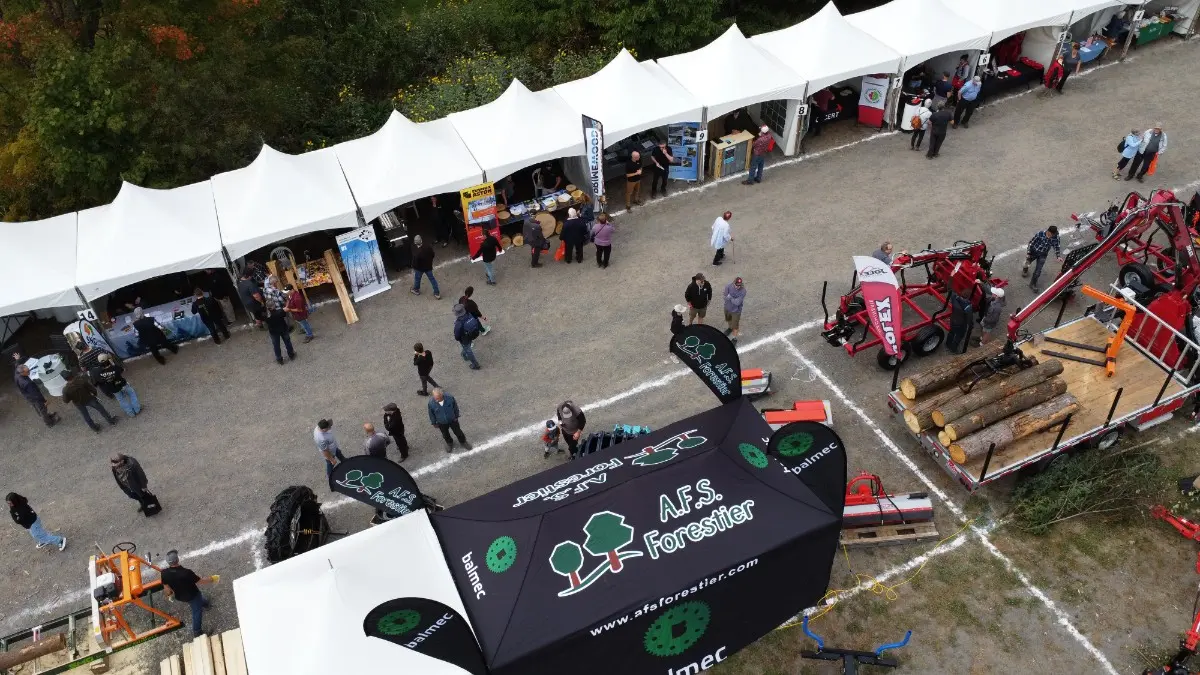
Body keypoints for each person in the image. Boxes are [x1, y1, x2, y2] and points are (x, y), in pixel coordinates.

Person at [160, 550, 217, 638]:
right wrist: (212, 579)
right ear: (178, 559)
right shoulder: (186, 572)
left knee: (198, 602)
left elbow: (166, 586)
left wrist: (169, 595)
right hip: (193, 595)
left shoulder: (164, 573)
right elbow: (201, 581)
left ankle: (206, 604)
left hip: (180, 596)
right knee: (197, 612)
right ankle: (197, 632)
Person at [90, 352, 140, 417]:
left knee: (121, 400)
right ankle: (137, 409)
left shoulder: (97, 372)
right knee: (132, 394)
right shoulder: (114, 367)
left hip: (113, 388)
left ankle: (130, 413)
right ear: (108, 359)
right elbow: (122, 370)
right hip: (122, 384)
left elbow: (97, 381)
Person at [427, 388, 471, 453]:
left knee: (458, 432)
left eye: (438, 398)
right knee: (445, 434)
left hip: (453, 420)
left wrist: (456, 416)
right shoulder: (431, 403)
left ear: (442, 395)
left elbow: (455, 407)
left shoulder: (449, 398)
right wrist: (434, 423)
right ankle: (449, 443)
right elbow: (431, 414)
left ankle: (463, 441)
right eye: (435, 398)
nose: (436, 400)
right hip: (441, 422)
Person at [1022, 226, 1063, 293]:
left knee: (1038, 271)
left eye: (1054, 235)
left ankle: (1032, 284)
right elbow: (1031, 243)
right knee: (1027, 263)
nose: (1052, 236)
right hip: (1033, 251)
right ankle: (1025, 270)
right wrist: (1028, 253)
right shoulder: (1040, 234)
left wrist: (1058, 256)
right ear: (1048, 231)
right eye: (1052, 234)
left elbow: (1057, 246)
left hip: (1043, 255)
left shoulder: (1056, 237)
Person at [452, 303, 482, 370]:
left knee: (468, 350)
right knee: (468, 345)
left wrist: (459, 339)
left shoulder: (458, 323)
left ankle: (475, 365)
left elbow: (457, 336)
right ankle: (464, 353)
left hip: (464, 339)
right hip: (472, 335)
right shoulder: (469, 315)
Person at [724, 277, 746, 345]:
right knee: (729, 320)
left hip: (736, 311)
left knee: (735, 326)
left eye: (739, 285)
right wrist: (732, 299)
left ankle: (734, 338)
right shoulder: (728, 286)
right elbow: (724, 297)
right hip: (727, 308)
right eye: (737, 285)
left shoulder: (743, 291)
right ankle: (730, 328)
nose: (738, 286)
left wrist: (730, 297)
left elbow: (737, 303)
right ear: (734, 283)